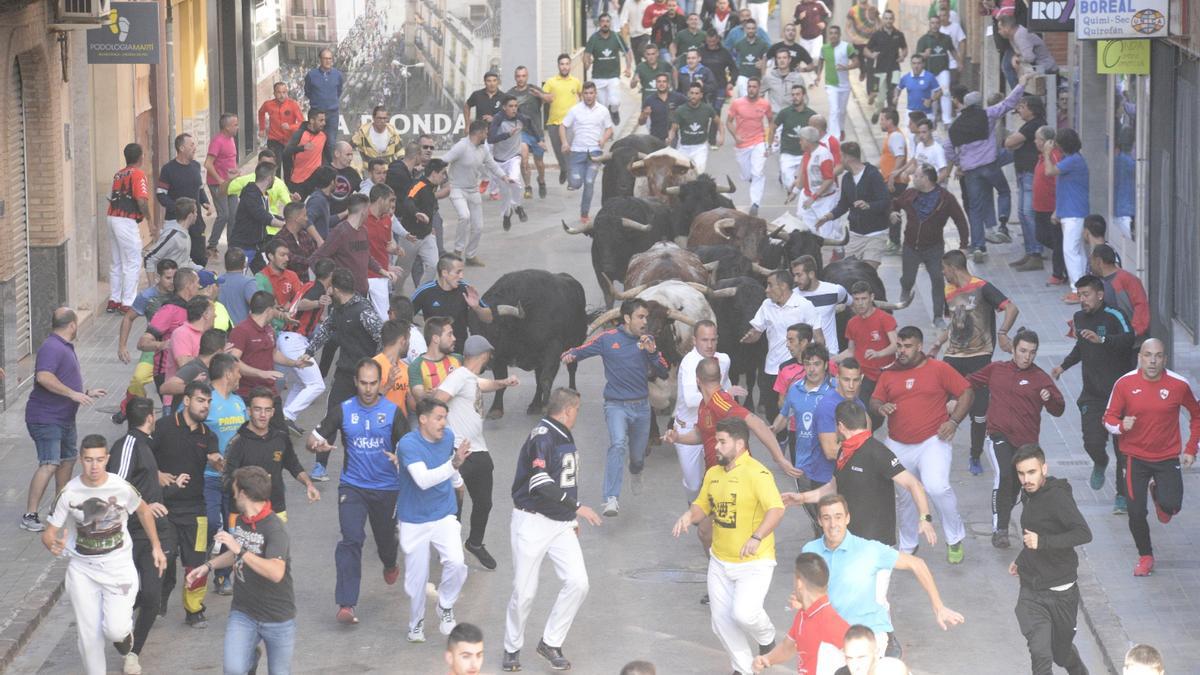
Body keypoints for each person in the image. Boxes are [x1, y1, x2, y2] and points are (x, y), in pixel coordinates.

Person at [42, 434, 166, 675]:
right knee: (89, 638)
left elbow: (143, 511)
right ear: (80, 460)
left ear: (107, 459)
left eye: (99, 460)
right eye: (89, 460)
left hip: (118, 567)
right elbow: (49, 532)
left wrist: (156, 546)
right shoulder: (68, 492)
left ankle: (125, 635)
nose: (94, 466)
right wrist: (52, 543)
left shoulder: (121, 486)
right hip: (83, 569)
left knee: (115, 630)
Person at [672, 417, 785, 675]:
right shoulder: (713, 474)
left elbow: (776, 509)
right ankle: (744, 668)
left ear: (740, 444)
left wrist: (756, 537)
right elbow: (702, 504)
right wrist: (689, 516)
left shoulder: (758, 473)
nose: (717, 447)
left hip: (755, 562)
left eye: (722, 442)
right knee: (720, 621)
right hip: (720, 561)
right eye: (716, 441)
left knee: (744, 614)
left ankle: (766, 636)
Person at [502, 388, 600, 672]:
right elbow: (540, 484)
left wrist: (570, 516)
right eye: (577, 410)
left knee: (578, 582)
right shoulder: (542, 437)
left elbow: (564, 479)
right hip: (531, 521)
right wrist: (577, 507)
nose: (578, 415)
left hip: (560, 523)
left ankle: (550, 642)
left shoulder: (562, 433)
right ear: (568, 410)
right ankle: (511, 648)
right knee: (525, 592)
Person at [307, 358, 408, 624]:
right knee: (351, 540)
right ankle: (346, 604)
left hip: (387, 489)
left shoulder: (393, 412)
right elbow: (313, 439)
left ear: (380, 383)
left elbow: (410, 446)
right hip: (353, 487)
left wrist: (402, 458)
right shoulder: (343, 410)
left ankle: (390, 562)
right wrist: (315, 446)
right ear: (356, 382)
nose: (367, 388)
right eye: (363, 383)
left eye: (373, 383)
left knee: (386, 542)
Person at [803, 495, 964, 658]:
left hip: (867, 634)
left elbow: (917, 564)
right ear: (819, 520)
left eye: (838, 517)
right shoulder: (810, 550)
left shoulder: (869, 549)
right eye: (827, 518)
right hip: (829, 636)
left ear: (847, 518)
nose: (832, 524)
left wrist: (939, 607)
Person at [786, 400, 939, 559]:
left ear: (840, 426)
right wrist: (802, 497)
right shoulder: (844, 452)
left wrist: (925, 518)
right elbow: (833, 487)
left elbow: (913, 484)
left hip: (875, 545)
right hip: (849, 540)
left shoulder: (877, 452)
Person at [870, 325, 972, 562]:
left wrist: (954, 422)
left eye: (907, 346)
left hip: (932, 441)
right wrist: (881, 407)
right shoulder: (889, 373)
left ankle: (954, 537)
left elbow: (967, 392)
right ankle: (908, 545)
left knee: (937, 487)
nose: (902, 351)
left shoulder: (939, 369)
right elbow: (874, 399)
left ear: (919, 347)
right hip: (897, 443)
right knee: (905, 496)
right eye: (899, 346)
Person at [562, 298, 668, 516]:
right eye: (641, 317)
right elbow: (582, 350)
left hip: (642, 408)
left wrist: (652, 353)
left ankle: (636, 471)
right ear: (627, 318)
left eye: (646, 317)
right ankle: (611, 498)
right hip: (616, 406)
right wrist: (570, 354)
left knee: (637, 458)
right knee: (618, 444)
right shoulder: (607, 339)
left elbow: (664, 371)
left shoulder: (648, 340)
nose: (645, 321)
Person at [1103, 339, 1200, 576]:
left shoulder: (1179, 385)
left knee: (1172, 507)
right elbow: (1108, 419)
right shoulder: (1124, 384)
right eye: (1148, 355)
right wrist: (1122, 426)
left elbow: (1197, 416)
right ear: (1140, 358)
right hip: (1134, 457)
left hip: (1167, 457)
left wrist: (1190, 449)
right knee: (1135, 511)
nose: (1153, 361)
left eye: (1158, 356)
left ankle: (1159, 494)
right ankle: (1145, 556)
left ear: (1165, 359)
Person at [186, 465, 296, 674]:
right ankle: (249, 660)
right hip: (244, 612)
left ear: (244, 494)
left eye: (235, 490)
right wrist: (208, 566)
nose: (233, 495)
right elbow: (235, 553)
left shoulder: (275, 528)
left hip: (277, 618)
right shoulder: (242, 520)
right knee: (234, 670)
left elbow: (276, 572)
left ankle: (250, 657)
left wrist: (240, 550)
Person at [961, 329, 1064, 547]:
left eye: (1032, 352)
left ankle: (1020, 526)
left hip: (1026, 445)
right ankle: (1000, 530)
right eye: (1023, 351)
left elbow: (1059, 409)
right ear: (1013, 349)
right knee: (1004, 475)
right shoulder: (997, 369)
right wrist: (950, 394)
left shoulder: (1040, 378)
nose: (1027, 357)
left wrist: (1050, 398)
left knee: (1019, 487)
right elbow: (969, 381)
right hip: (998, 435)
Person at [928, 249, 1020, 474]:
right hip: (953, 357)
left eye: (944, 269)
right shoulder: (948, 291)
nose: (943, 274)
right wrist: (937, 344)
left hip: (980, 359)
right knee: (943, 407)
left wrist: (1003, 332)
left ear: (953, 267)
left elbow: (1011, 308)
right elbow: (953, 323)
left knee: (979, 414)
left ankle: (975, 455)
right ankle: (935, 453)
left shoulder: (982, 287)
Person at [1050, 275, 1135, 512]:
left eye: (1086, 294)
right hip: (1092, 394)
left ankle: (1121, 496)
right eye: (1079, 295)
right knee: (1092, 442)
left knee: (1122, 449)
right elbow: (1081, 346)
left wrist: (1103, 340)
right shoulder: (1078, 318)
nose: (1082, 300)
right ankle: (1099, 461)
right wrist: (1063, 366)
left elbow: (1130, 339)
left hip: (1119, 397)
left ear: (1099, 294)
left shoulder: (1115, 315)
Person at [435, 335, 518, 570]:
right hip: (460, 450)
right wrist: (439, 434)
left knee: (484, 502)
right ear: (483, 355)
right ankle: (451, 550)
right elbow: (439, 400)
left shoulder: (469, 378)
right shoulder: (458, 376)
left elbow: (484, 385)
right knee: (456, 502)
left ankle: (475, 543)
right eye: (489, 355)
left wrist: (504, 382)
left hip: (479, 450)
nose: (490, 358)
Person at [22, 308, 107, 533]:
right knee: (49, 463)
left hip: (65, 418)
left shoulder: (62, 346)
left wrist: (85, 392)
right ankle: (30, 514)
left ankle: (58, 509)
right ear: (72, 325)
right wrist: (73, 394)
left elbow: (62, 380)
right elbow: (43, 377)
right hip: (46, 418)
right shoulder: (52, 347)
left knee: (67, 461)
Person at [1009, 444, 1092, 674]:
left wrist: (1042, 542)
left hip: (1062, 591)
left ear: (1044, 468)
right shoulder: (1029, 495)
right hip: (1032, 591)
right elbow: (1033, 533)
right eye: (1021, 473)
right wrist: (1021, 558)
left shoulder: (1057, 498)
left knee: (1061, 653)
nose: (1026, 479)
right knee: (1040, 654)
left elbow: (1084, 533)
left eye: (1031, 472)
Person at [395, 396, 470, 642]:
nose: (443, 423)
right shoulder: (408, 445)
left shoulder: (447, 438)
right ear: (423, 419)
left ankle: (445, 606)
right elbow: (423, 480)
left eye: (445, 418)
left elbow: (448, 465)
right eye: (439, 418)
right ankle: (416, 623)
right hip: (413, 519)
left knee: (457, 563)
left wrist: (457, 481)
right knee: (416, 581)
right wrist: (454, 465)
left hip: (443, 513)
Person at [107, 397, 175, 664]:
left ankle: (133, 654)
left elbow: (141, 481)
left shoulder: (144, 445)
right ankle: (117, 629)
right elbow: (117, 486)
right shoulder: (128, 444)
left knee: (151, 595)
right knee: (131, 593)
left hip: (155, 533)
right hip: (131, 534)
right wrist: (146, 505)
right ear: (150, 418)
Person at [304, 268, 385, 478]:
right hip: (343, 373)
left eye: (331, 288)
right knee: (332, 416)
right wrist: (309, 351)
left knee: (368, 422)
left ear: (337, 290)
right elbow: (325, 330)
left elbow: (382, 339)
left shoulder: (363, 311)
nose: (328, 292)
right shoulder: (337, 310)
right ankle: (320, 465)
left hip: (365, 379)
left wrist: (374, 367)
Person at [151, 380, 219, 628]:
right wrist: (158, 476)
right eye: (201, 400)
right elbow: (144, 458)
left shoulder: (207, 435)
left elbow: (214, 458)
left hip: (195, 511)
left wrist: (218, 461)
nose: (206, 406)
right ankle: (157, 601)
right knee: (163, 561)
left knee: (196, 563)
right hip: (164, 509)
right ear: (187, 401)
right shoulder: (164, 427)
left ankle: (194, 610)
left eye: (209, 402)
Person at [945, 74, 1032, 259]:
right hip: (990, 166)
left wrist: (959, 164)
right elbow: (1009, 103)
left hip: (970, 172)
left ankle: (978, 247)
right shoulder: (987, 114)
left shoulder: (955, 126)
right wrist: (1021, 83)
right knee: (1004, 191)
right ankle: (1002, 224)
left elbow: (948, 148)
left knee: (975, 209)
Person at [223, 387, 320, 527]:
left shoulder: (280, 438)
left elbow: (294, 465)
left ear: (273, 412)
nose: (263, 415)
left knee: (277, 549)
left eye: (267, 410)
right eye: (257, 409)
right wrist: (251, 485)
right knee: (242, 550)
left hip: (276, 510)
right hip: (242, 515)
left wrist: (309, 484)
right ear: (249, 411)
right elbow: (226, 482)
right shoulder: (236, 443)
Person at [890, 164, 968, 325]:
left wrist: (963, 246)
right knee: (908, 278)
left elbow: (960, 220)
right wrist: (892, 212)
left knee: (938, 280)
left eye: (917, 176)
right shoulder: (910, 194)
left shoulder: (946, 199)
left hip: (934, 248)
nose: (913, 178)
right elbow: (895, 203)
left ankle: (938, 316)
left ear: (925, 179)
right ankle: (906, 288)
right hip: (911, 246)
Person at [743, 271, 823, 423]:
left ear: (783, 286)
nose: (766, 290)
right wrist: (750, 337)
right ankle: (781, 440)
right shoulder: (767, 305)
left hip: (799, 370)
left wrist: (822, 364)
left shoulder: (804, 306)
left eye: (770, 285)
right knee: (771, 412)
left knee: (800, 412)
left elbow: (818, 337)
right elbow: (757, 331)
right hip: (772, 369)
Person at [753, 553, 849, 674]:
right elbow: (787, 648)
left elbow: (864, 658)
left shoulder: (831, 622)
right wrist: (766, 659)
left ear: (799, 583)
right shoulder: (804, 614)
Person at [815, 142, 891, 268]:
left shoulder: (873, 175)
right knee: (851, 270)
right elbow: (843, 205)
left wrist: (869, 205)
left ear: (847, 157)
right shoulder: (846, 179)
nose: (839, 161)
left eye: (841, 157)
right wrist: (827, 217)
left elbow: (885, 201)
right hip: (855, 234)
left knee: (868, 271)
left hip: (876, 234)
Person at [445, 121, 511, 264]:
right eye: (486, 132)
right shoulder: (461, 146)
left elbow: (492, 164)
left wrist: (504, 176)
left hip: (473, 190)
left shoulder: (483, 149)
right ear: (479, 133)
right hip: (457, 188)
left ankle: (470, 256)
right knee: (464, 216)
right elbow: (444, 160)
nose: (487, 135)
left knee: (478, 226)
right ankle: (457, 250)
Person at [1040, 128, 1090, 300]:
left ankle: (1078, 290)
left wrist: (1046, 153)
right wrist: (1057, 211)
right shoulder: (1070, 159)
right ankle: (1084, 286)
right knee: (1078, 252)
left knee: (1070, 251)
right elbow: (1065, 188)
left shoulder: (1073, 161)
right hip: (1070, 211)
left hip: (1074, 213)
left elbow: (1049, 171)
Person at [412, 253, 495, 350]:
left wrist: (476, 307)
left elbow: (488, 318)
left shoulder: (465, 289)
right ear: (444, 273)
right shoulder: (425, 291)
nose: (461, 276)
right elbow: (405, 315)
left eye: (462, 272)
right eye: (458, 272)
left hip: (459, 352)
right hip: (434, 353)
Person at [561, 82, 615, 225]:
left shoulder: (603, 110)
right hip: (577, 151)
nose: (589, 96)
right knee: (576, 183)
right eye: (586, 93)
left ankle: (584, 214)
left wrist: (603, 139)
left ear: (595, 94)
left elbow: (609, 129)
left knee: (589, 182)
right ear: (582, 94)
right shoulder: (575, 110)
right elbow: (563, 126)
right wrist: (565, 143)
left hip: (595, 152)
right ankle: (572, 176)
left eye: (591, 93)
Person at [1004, 94, 1048, 271]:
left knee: (1029, 213)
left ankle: (1036, 252)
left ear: (1032, 109)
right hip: (1024, 173)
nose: (1019, 110)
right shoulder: (1029, 126)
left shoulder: (1034, 125)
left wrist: (1013, 141)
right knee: (1022, 212)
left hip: (1030, 173)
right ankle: (1030, 251)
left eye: (1023, 107)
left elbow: (1009, 142)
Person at [106, 143, 151, 312]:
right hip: (126, 220)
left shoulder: (118, 175)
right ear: (140, 157)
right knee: (133, 261)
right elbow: (141, 200)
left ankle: (114, 299)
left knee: (116, 261)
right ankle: (128, 303)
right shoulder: (138, 174)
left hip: (112, 217)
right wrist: (150, 221)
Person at [157, 133, 213, 267]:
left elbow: (199, 188)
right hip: (175, 223)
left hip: (196, 221)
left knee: (200, 258)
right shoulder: (168, 169)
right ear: (181, 148)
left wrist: (205, 202)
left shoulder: (196, 166)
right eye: (192, 145)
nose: (195, 148)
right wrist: (177, 209)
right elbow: (161, 195)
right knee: (176, 261)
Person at [838, 281, 898, 407]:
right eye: (856, 299)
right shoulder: (852, 323)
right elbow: (850, 351)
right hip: (864, 376)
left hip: (885, 375)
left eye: (864, 298)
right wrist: (829, 359)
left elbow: (896, 345)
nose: (860, 303)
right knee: (862, 408)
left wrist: (878, 353)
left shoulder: (885, 318)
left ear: (872, 297)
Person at [397, 157, 447, 290]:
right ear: (434, 173)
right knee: (403, 272)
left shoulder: (432, 187)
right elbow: (408, 201)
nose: (444, 176)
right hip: (410, 237)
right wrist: (416, 213)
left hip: (427, 235)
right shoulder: (418, 185)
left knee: (433, 265)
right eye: (442, 173)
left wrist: (430, 227)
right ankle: (394, 295)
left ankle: (419, 294)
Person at [726, 76, 773, 216]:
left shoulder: (765, 104)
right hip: (742, 145)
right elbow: (728, 122)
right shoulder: (737, 103)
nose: (751, 89)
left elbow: (771, 122)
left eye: (754, 86)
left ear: (759, 88)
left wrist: (768, 143)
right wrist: (736, 136)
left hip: (759, 141)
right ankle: (752, 179)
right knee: (747, 176)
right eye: (749, 86)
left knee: (758, 172)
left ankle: (755, 204)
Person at [490, 96, 536, 231]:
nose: (514, 109)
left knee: (515, 180)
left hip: (514, 157)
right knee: (505, 193)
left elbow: (532, 126)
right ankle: (507, 214)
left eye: (516, 106)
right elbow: (491, 138)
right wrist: (507, 135)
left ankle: (518, 207)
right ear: (504, 107)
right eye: (511, 106)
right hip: (499, 161)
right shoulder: (498, 119)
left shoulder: (520, 118)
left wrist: (539, 140)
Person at [508, 66, 552, 199]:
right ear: (515, 77)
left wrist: (541, 95)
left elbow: (550, 99)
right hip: (522, 132)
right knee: (524, 160)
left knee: (539, 162)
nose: (521, 79)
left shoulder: (534, 89)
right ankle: (527, 186)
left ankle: (541, 180)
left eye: (523, 76)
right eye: (518, 76)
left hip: (537, 132)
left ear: (527, 76)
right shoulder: (510, 94)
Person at [228, 162, 285, 263]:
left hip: (256, 246)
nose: (274, 180)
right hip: (242, 247)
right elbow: (262, 216)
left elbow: (267, 214)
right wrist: (284, 225)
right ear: (269, 178)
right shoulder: (251, 194)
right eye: (274, 176)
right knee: (239, 276)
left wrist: (285, 220)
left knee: (265, 276)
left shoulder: (262, 195)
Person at [791, 256, 849, 355]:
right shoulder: (792, 296)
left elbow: (853, 304)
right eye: (794, 275)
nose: (795, 279)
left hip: (830, 355)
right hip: (802, 356)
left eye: (799, 275)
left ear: (811, 274)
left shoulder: (835, 291)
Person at [791, 126, 841, 237]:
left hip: (824, 200)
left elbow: (829, 179)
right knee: (806, 228)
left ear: (808, 141)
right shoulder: (807, 153)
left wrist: (814, 197)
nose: (799, 142)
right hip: (808, 197)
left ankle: (837, 250)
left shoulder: (824, 155)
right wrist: (795, 191)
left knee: (826, 233)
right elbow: (804, 174)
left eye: (801, 140)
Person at [543, 54, 584, 185]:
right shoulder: (551, 82)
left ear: (570, 65)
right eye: (562, 64)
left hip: (570, 124)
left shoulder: (576, 82)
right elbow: (544, 96)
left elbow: (582, 96)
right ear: (558, 66)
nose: (565, 67)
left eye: (567, 64)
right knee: (558, 151)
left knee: (568, 151)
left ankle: (571, 178)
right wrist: (545, 97)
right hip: (553, 123)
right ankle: (563, 168)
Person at [1092, 244, 1148, 340]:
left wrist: (1133, 332)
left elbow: (1141, 305)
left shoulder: (1127, 279)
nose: (1090, 265)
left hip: (1130, 344)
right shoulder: (1101, 283)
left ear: (1098, 261)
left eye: (1091, 261)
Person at [584, 12, 631, 124]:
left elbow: (627, 52)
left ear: (610, 23)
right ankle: (608, 129)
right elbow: (586, 55)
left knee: (615, 102)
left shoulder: (616, 37)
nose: (605, 24)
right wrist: (587, 64)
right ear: (599, 23)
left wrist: (628, 67)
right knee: (602, 107)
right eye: (603, 21)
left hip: (613, 76)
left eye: (607, 21)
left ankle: (614, 111)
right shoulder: (594, 38)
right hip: (598, 77)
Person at [205, 113, 241, 254]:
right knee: (224, 215)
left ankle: (232, 246)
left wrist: (237, 172)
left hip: (232, 184)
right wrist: (220, 180)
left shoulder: (231, 139)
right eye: (235, 125)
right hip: (217, 184)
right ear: (226, 127)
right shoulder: (217, 141)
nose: (237, 127)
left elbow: (231, 159)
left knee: (234, 215)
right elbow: (208, 164)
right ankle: (212, 245)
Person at [814, 25, 858, 140]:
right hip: (831, 85)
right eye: (831, 33)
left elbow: (857, 62)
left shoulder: (847, 47)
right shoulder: (824, 48)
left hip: (844, 85)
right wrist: (818, 75)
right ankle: (834, 136)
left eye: (835, 33)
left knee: (842, 111)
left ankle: (841, 129)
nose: (833, 35)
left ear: (839, 35)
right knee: (834, 110)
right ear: (828, 35)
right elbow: (821, 61)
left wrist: (846, 67)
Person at [769, 84, 817, 189]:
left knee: (807, 182)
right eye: (793, 95)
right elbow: (773, 127)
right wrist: (770, 143)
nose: (795, 97)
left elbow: (817, 135)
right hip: (787, 153)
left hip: (804, 154)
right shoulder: (785, 113)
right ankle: (793, 191)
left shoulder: (811, 115)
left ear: (803, 96)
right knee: (788, 180)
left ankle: (799, 196)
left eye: (798, 94)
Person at [670, 82, 723, 174]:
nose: (694, 96)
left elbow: (719, 123)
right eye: (692, 93)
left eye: (696, 93)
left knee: (698, 172)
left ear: (701, 95)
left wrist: (721, 136)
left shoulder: (707, 109)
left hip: (700, 148)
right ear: (688, 94)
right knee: (681, 174)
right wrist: (670, 138)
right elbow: (673, 129)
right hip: (684, 147)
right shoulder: (680, 110)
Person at [864, 11, 907, 121]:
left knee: (892, 94)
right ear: (883, 19)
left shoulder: (899, 34)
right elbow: (866, 50)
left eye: (890, 18)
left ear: (893, 20)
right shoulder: (877, 35)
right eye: (886, 18)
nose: (888, 21)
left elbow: (905, 48)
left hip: (895, 69)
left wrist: (902, 56)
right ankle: (877, 112)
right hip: (880, 69)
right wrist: (871, 55)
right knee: (881, 98)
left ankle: (892, 116)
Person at [698, 30, 739, 145]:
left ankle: (712, 139)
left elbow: (734, 69)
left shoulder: (724, 53)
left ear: (717, 39)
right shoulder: (700, 51)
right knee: (704, 112)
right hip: (704, 86)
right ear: (706, 39)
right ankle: (701, 136)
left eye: (713, 40)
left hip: (720, 86)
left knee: (716, 112)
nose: (711, 42)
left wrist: (732, 82)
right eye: (709, 40)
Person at [914, 16, 956, 126]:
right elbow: (917, 56)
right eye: (932, 23)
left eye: (937, 23)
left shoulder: (946, 38)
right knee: (932, 95)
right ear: (929, 24)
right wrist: (925, 55)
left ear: (940, 24)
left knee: (945, 92)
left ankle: (947, 119)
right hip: (929, 71)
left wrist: (959, 62)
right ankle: (932, 118)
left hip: (943, 70)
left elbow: (952, 50)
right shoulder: (923, 40)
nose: (935, 25)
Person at [145, 197, 204, 274]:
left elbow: (185, 261)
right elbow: (149, 258)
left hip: (180, 281)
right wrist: (152, 285)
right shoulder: (172, 236)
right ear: (190, 215)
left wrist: (202, 270)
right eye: (196, 212)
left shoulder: (185, 233)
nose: (197, 215)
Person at [409, 316, 462, 399]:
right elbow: (418, 394)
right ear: (436, 339)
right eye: (449, 335)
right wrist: (431, 395)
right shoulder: (417, 366)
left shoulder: (458, 359)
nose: (454, 338)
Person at [258, 82, 303, 174]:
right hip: (274, 139)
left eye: (284, 92)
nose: (281, 95)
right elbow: (261, 112)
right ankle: (275, 186)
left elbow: (302, 123)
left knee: (288, 167)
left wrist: (290, 127)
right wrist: (262, 128)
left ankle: (288, 187)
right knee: (275, 166)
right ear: (274, 93)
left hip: (289, 141)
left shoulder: (293, 104)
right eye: (279, 92)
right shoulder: (268, 104)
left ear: (287, 92)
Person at [284, 109, 328, 197]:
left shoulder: (323, 136)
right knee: (298, 208)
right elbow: (286, 152)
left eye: (324, 120)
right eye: (321, 120)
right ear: (312, 120)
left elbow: (324, 155)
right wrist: (302, 148)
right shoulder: (299, 134)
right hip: (298, 181)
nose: (324, 123)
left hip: (316, 180)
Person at [304, 48, 344, 145]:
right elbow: (308, 92)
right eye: (325, 58)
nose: (328, 61)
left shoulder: (338, 75)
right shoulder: (311, 75)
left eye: (330, 58)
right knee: (315, 142)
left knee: (330, 142)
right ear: (320, 60)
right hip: (316, 114)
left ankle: (328, 160)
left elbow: (339, 91)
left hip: (332, 114)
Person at [639, 73, 688, 142]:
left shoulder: (677, 97)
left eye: (664, 81)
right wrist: (644, 115)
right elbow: (641, 122)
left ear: (668, 84)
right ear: (656, 84)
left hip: (673, 138)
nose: (661, 84)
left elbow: (690, 105)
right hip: (655, 138)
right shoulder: (649, 100)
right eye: (659, 81)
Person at [730, 18, 769, 98]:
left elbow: (770, 59)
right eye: (748, 28)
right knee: (745, 99)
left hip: (757, 76)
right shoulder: (739, 43)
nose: (750, 31)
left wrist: (763, 63)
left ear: (756, 30)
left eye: (753, 28)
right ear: (745, 29)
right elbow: (732, 58)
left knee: (756, 100)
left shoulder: (763, 44)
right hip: (743, 75)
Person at [762, 51, 807, 115]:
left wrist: (801, 113)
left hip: (792, 114)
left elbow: (804, 97)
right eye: (779, 58)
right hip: (775, 115)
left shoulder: (797, 78)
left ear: (789, 59)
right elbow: (759, 94)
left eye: (784, 58)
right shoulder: (769, 78)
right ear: (776, 60)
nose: (782, 60)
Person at [794, 0, 831, 69]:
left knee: (816, 56)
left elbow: (828, 14)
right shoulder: (799, 6)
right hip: (804, 38)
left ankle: (817, 73)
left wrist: (824, 23)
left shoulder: (819, 3)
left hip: (817, 37)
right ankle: (811, 72)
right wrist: (799, 18)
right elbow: (794, 21)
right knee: (805, 59)